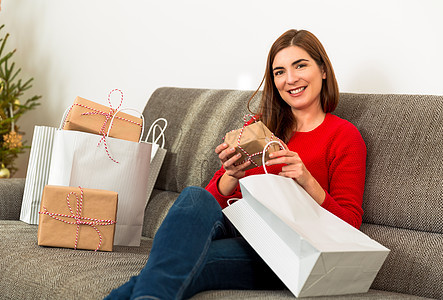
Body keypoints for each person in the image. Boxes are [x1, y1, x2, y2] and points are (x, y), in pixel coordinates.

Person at [105, 29, 366, 300]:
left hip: (280, 251)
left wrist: (307, 180)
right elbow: (207, 205)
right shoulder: (260, 128)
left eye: (300, 65)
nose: (290, 79)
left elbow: (349, 226)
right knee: (194, 198)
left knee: (173, 261)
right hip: (236, 225)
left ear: (323, 70)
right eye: (279, 72)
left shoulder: (344, 137)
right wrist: (231, 175)